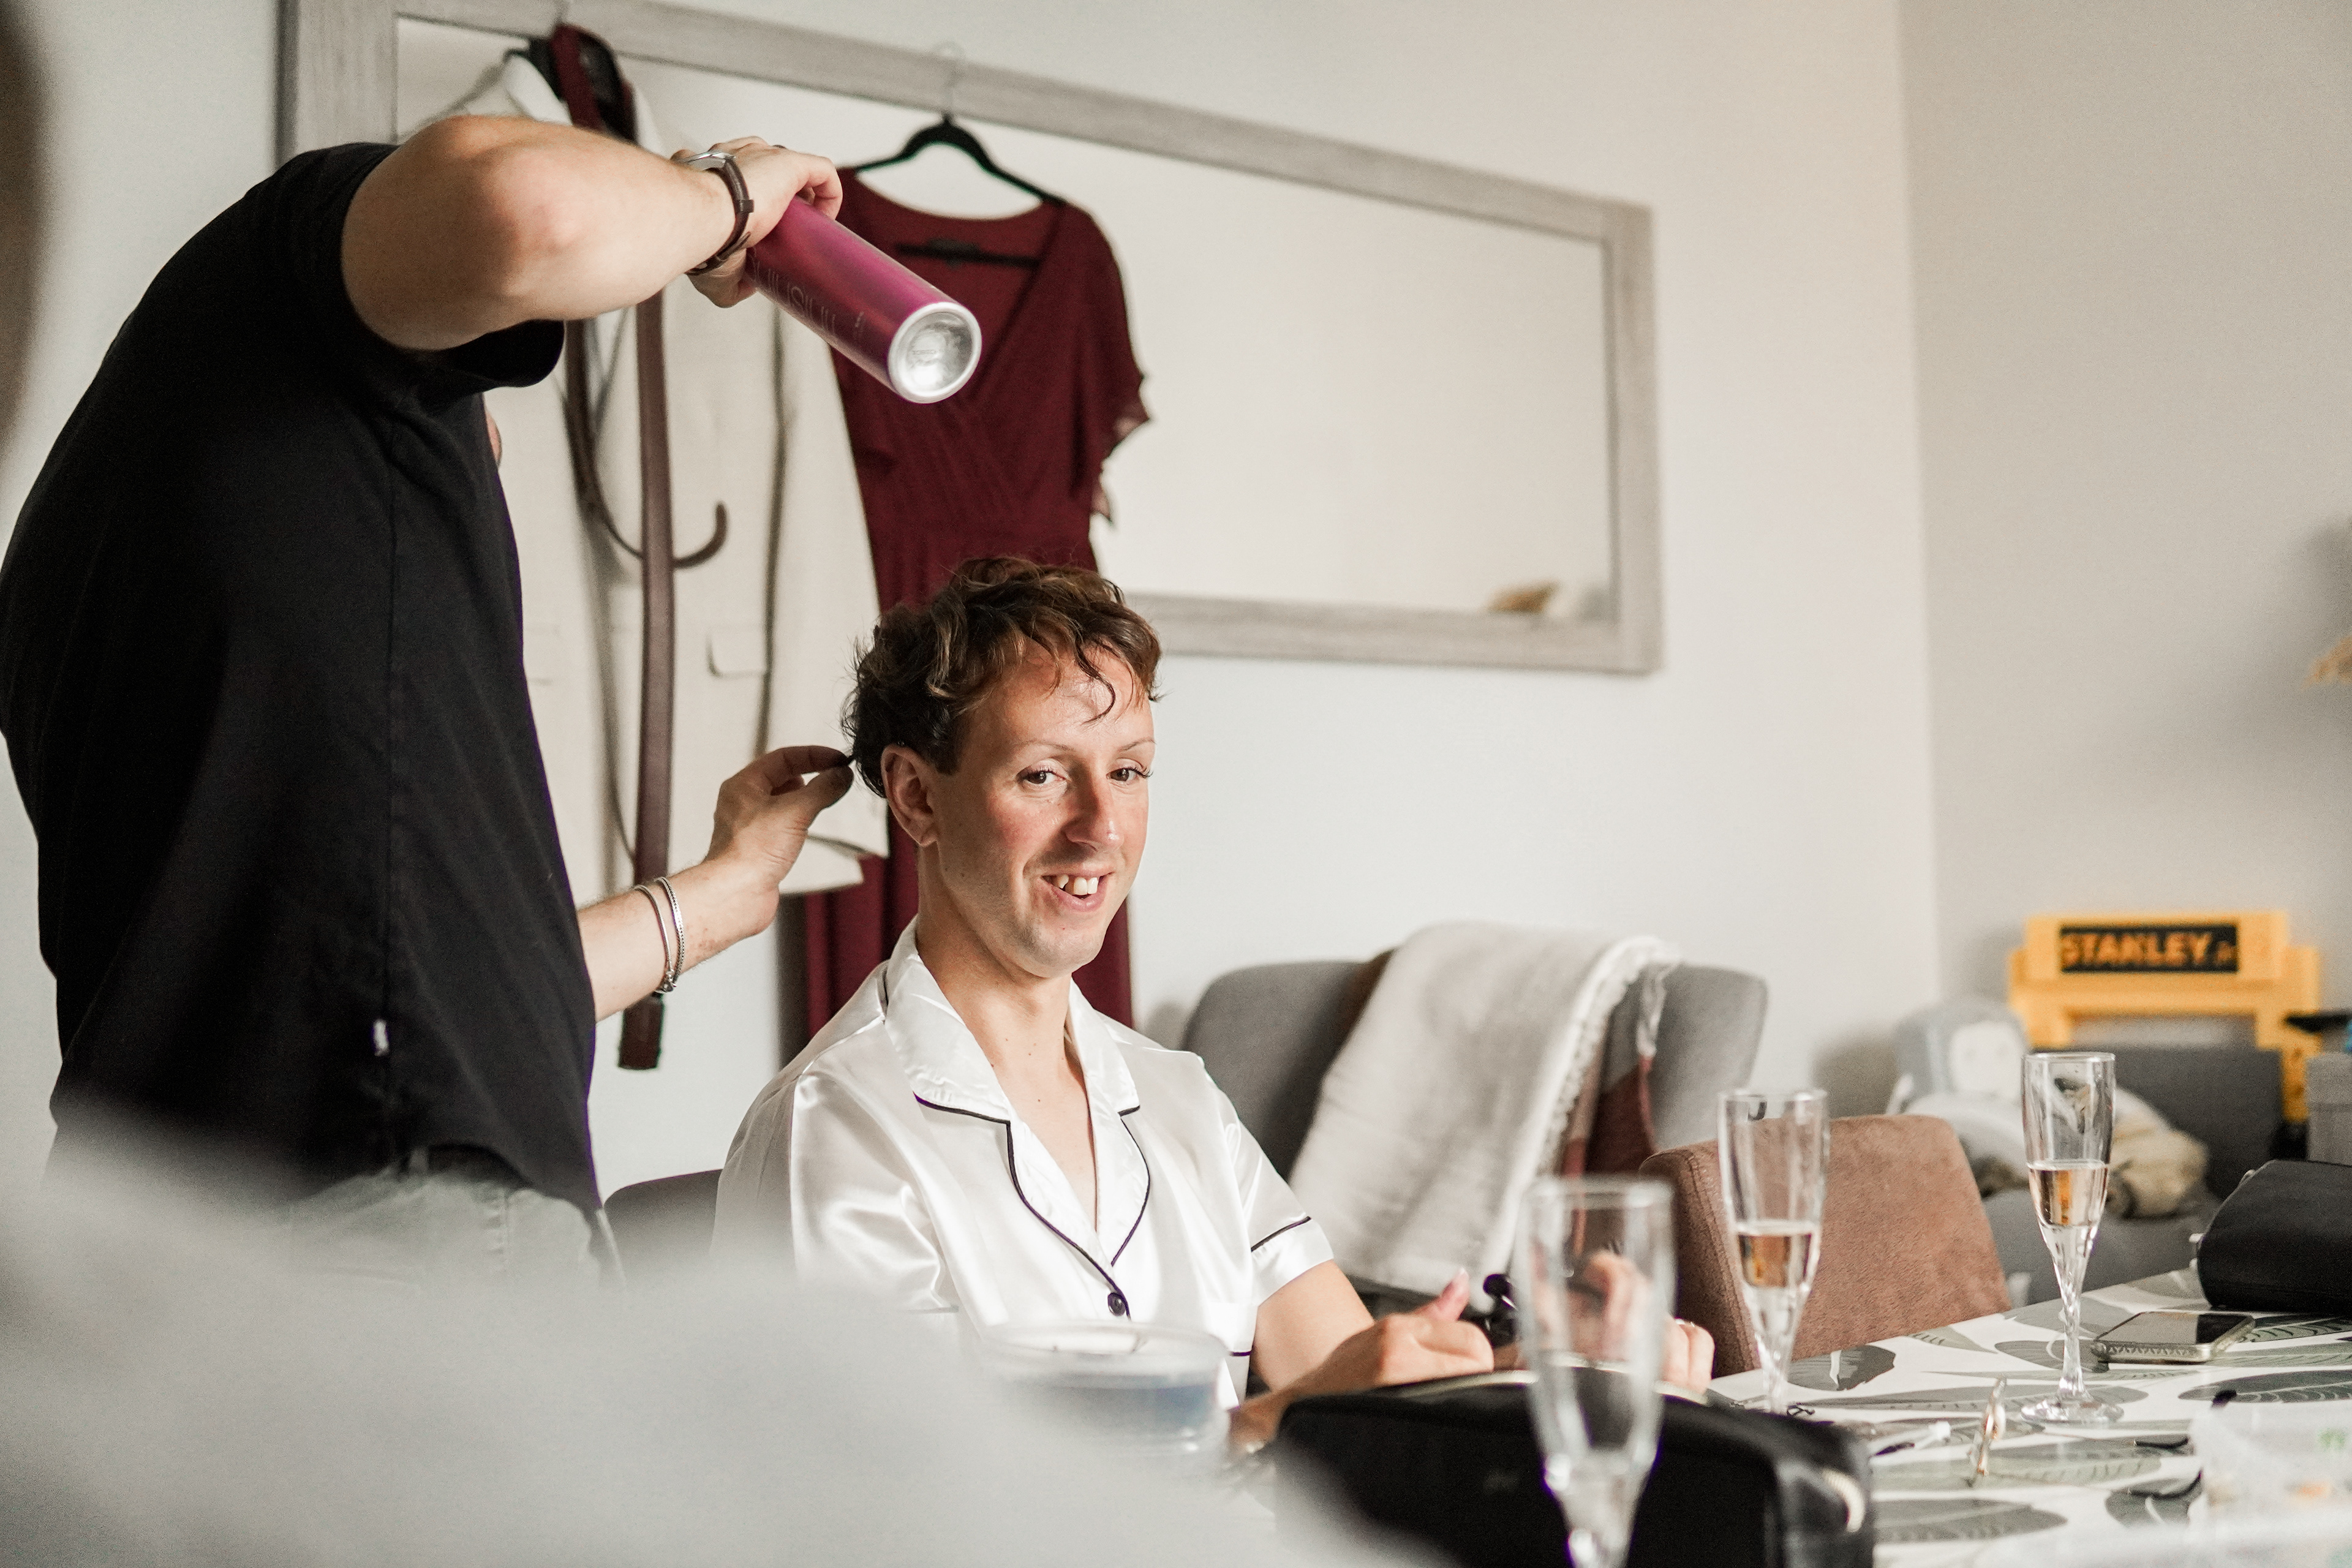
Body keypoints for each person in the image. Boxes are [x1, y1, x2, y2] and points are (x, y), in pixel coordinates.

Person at [0, 115, 855, 1281]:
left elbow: (393, 990)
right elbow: (527, 214)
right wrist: (722, 203)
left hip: (148, 1270)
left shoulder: (91, 554)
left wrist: (720, 898)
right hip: (392, 1229)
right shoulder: (280, 273)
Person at [715, 559, 1713, 1444]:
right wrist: (1279, 1421)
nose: (1101, 828)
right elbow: (896, 1516)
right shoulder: (836, 1127)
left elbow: (1367, 1381)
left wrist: (1558, 1369)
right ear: (917, 795)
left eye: (1128, 772)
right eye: (1043, 775)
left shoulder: (1178, 1097)